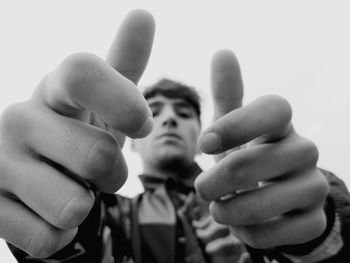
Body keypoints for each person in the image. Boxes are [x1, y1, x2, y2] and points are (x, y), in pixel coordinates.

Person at [1, 9, 350, 263]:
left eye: (184, 114)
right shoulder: (104, 216)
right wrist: (44, 182)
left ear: (200, 132)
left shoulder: (246, 206)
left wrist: (315, 226)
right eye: (156, 112)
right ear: (133, 140)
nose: (169, 121)